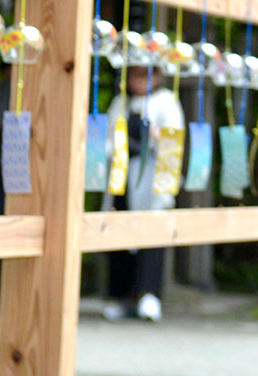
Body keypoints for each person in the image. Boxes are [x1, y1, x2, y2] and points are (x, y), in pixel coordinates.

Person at [103, 61, 186, 322]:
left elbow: (173, 143)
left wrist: (154, 137)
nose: (141, 80)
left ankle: (148, 293)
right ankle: (122, 295)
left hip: (152, 178)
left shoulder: (166, 102)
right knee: (120, 235)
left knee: (151, 235)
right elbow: (105, 139)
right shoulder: (120, 103)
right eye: (136, 75)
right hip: (123, 176)